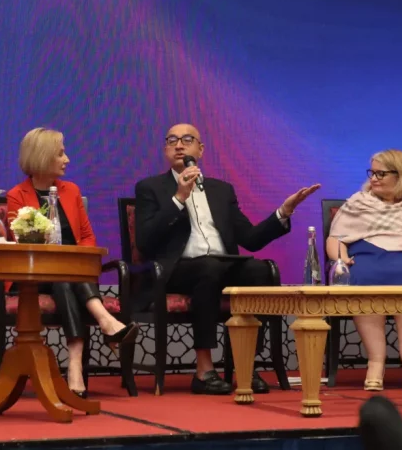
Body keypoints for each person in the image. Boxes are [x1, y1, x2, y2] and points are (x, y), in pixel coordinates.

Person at [133, 123, 320, 395]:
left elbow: (251, 238)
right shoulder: (150, 188)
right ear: (165, 149)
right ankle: (204, 370)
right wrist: (178, 198)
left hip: (220, 266)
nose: (179, 145)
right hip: (175, 269)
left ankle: (246, 365)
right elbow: (146, 241)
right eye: (171, 140)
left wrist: (284, 211)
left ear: (201, 149)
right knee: (208, 269)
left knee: (259, 270)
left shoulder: (221, 190)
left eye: (187, 139)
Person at [5, 127, 139, 398]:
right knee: (66, 275)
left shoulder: (71, 191)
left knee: (67, 277)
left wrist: (76, 260)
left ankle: (75, 365)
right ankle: (106, 322)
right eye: (61, 153)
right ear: (43, 157)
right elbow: (22, 242)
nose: (67, 160)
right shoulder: (17, 196)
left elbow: (87, 238)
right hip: (31, 278)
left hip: (68, 276)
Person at [327, 149, 402, 392]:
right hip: (366, 258)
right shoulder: (357, 203)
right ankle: (375, 362)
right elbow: (335, 238)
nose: (374, 179)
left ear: (401, 176)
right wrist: (342, 257)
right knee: (363, 276)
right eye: (372, 173)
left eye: (381, 173)